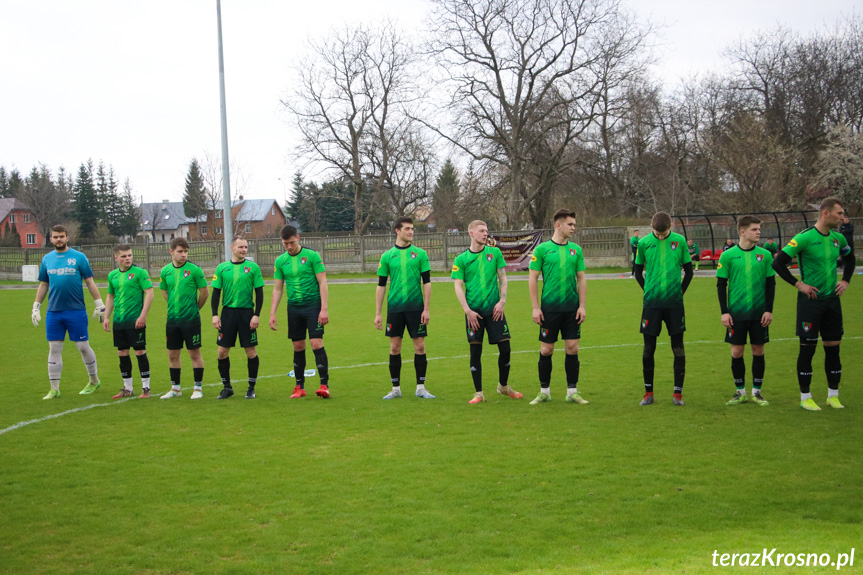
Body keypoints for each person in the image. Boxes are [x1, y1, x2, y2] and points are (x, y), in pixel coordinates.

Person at [772, 197, 854, 411]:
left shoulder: (838, 239)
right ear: (826, 213)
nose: (842, 218)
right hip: (811, 304)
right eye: (839, 213)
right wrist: (799, 284)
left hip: (832, 303)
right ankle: (805, 396)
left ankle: (833, 396)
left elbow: (850, 259)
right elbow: (778, 262)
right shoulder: (804, 238)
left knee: (833, 350)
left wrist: (845, 280)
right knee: (808, 350)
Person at [452, 220, 522, 404]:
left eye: (486, 231)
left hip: (495, 311)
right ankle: (479, 393)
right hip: (473, 313)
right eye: (482, 231)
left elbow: (503, 278)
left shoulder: (495, 253)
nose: (486, 234)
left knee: (505, 348)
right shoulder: (461, 259)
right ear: (471, 233)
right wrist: (467, 311)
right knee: (475, 351)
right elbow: (458, 286)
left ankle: (503, 386)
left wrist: (502, 301)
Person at [31, 225, 105, 399]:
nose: (59, 239)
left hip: (76, 311)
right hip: (54, 312)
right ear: (50, 239)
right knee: (54, 348)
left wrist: (99, 303)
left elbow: (90, 281)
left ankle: (94, 381)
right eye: (55, 237)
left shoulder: (79, 257)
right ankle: (54, 389)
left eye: (61, 236)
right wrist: (36, 306)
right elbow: (44, 284)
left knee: (82, 347)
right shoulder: (47, 259)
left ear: (67, 237)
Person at [527, 208, 588, 405]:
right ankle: (544, 391)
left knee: (572, 348)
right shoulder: (542, 250)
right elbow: (532, 279)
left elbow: (582, 279)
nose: (573, 228)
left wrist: (582, 306)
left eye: (574, 225)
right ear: (558, 225)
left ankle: (572, 392)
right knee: (546, 350)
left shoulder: (576, 250)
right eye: (570, 224)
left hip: (571, 309)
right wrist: (536, 308)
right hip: (549, 309)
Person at [634, 212, 694, 406]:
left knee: (678, 348)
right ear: (652, 227)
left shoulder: (680, 241)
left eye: (663, 233)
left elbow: (689, 271)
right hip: (651, 305)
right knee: (648, 349)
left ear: (670, 227)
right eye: (657, 233)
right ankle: (648, 393)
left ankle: (678, 394)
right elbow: (637, 272)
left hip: (674, 305)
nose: (660, 236)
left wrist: (680, 292)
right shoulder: (643, 243)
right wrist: (648, 290)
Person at [716, 216, 775, 406]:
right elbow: (720, 285)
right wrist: (724, 312)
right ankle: (740, 392)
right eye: (754, 229)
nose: (758, 232)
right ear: (742, 232)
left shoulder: (764, 255)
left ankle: (757, 392)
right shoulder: (728, 256)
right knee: (737, 352)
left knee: (758, 350)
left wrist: (769, 310)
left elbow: (771, 284)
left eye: (759, 229)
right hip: (736, 314)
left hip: (759, 314)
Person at [375, 216, 434, 399]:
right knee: (394, 348)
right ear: (397, 231)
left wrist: (426, 308)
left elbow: (427, 283)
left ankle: (421, 388)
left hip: (416, 308)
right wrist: (378, 313)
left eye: (412, 229)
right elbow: (381, 285)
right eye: (407, 229)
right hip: (395, 309)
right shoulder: (387, 256)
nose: (411, 232)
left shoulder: (420, 254)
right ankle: (395, 389)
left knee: (420, 346)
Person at [270, 225, 330, 399]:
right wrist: (272, 313)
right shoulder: (280, 261)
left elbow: (323, 282)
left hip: (313, 306)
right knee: (298, 346)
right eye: (285, 243)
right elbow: (278, 289)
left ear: (298, 237)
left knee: (316, 343)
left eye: (292, 242)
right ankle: (299, 387)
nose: (289, 246)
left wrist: (324, 309)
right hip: (294, 308)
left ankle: (324, 385)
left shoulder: (312, 256)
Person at [212, 236, 265, 400]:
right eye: (241, 247)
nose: (244, 250)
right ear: (232, 248)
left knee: (250, 351)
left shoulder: (253, 268)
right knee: (222, 352)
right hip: (227, 314)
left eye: (246, 247)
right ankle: (227, 388)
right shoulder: (221, 268)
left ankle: (251, 388)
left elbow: (259, 293)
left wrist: (256, 315)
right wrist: (215, 315)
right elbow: (215, 294)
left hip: (247, 314)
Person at [159, 238, 209, 400]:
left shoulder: (194, 270)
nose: (183, 255)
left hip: (191, 320)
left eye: (185, 251)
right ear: (171, 251)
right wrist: (175, 306)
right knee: (172, 355)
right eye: (180, 251)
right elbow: (165, 292)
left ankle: (198, 388)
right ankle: (175, 388)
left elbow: (204, 292)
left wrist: (195, 308)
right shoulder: (165, 271)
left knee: (194, 354)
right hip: (173, 320)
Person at [103, 244, 154, 398]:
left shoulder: (140, 273)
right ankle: (128, 388)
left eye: (129, 255)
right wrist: (106, 317)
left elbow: (150, 293)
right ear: (116, 258)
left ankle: (146, 389)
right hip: (119, 321)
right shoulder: (112, 275)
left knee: (140, 351)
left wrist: (143, 315)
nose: (127, 258)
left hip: (135, 321)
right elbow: (110, 296)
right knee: (122, 353)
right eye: (124, 256)